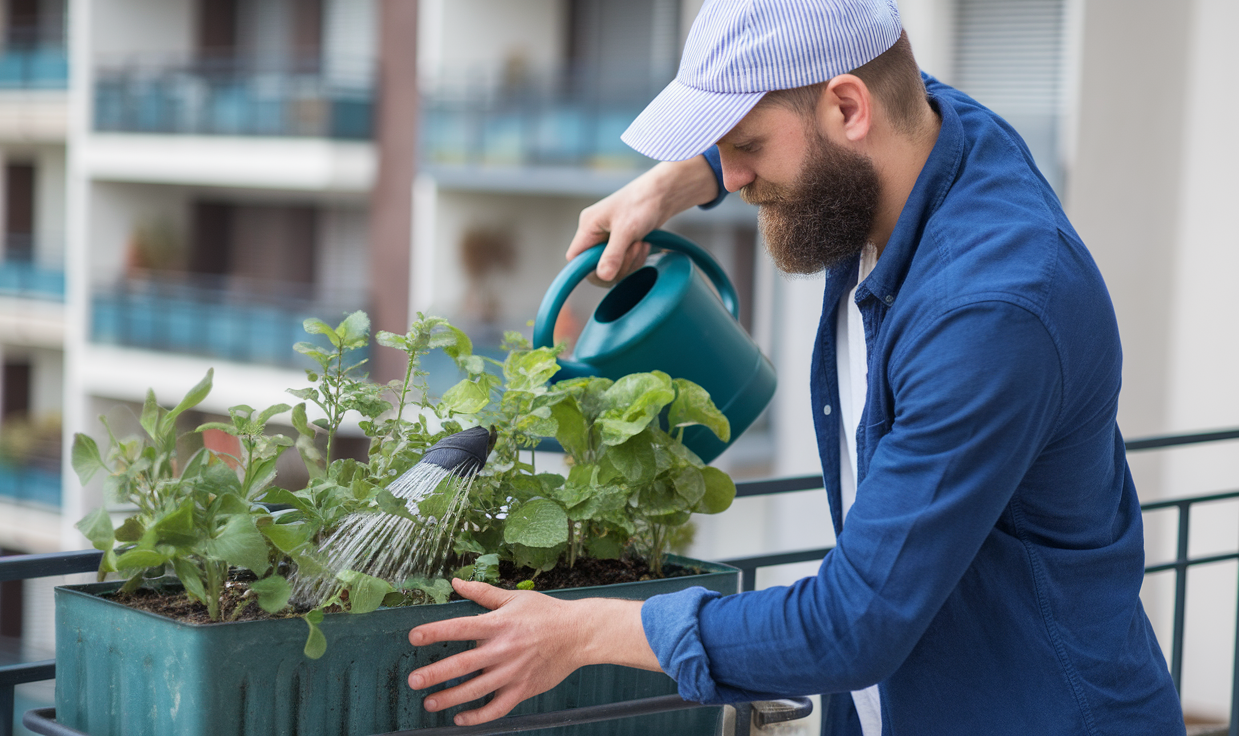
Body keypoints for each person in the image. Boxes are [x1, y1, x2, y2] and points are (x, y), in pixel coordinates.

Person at [405, 1, 1187, 733]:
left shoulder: (990, 313)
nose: (737, 176)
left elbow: (855, 623)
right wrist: (677, 179)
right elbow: (902, 88)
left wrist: (580, 630)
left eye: (745, 144)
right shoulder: (925, 139)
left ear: (848, 110)